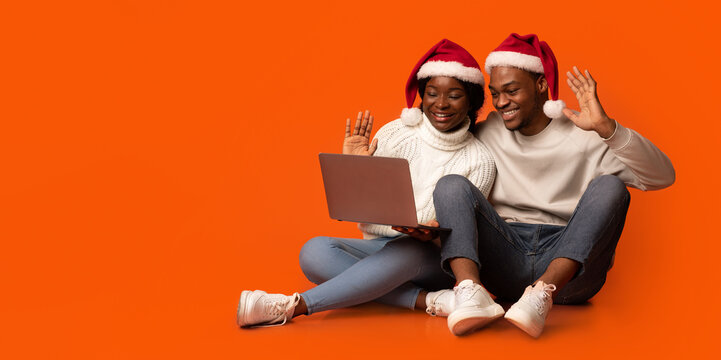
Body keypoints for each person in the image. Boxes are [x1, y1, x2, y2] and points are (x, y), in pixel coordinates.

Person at [405, 33, 675, 338]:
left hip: (568, 271)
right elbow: (438, 161)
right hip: (501, 258)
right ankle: (471, 291)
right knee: (451, 183)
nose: (501, 102)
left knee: (612, 187)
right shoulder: (488, 131)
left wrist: (606, 128)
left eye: (511, 90)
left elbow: (661, 176)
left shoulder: (585, 137)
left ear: (541, 86)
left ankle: (539, 295)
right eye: (495, 92)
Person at [237, 39, 499, 328]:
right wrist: (354, 168)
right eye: (432, 93)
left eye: (454, 95)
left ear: (472, 101)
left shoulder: (481, 160)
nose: (440, 104)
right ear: (421, 96)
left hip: (432, 259)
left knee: (408, 250)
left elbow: (462, 234)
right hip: (379, 248)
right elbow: (360, 212)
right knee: (314, 252)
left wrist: (433, 235)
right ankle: (432, 301)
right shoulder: (396, 132)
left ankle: (293, 306)